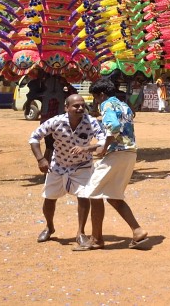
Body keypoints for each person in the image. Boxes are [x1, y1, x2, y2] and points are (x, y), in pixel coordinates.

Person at [78, 79, 150, 250]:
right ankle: (137, 231)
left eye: (96, 97)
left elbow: (114, 126)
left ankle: (96, 239)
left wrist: (104, 146)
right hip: (130, 153)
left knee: (93, 192)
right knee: (113, 195)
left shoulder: (107, 104)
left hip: (116, 153)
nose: (96, 102)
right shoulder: (124, 106)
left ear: (101, 94)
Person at [28, 94, 103, 247]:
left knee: (83, 196)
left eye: (82, 105)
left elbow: (103, 141)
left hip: (82, 165)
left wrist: (87, 148)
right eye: (76, 106)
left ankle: (80, 232)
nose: (80, 108)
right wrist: (41, 159)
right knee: (49, 197)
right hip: (58, 165)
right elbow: (34, 138)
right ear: (66, 107)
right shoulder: (56, 121)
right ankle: (49, 227)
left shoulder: (91, 122)